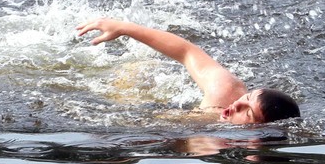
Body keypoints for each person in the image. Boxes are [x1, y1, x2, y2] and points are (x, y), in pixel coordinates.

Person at [75, 18, 300, 124]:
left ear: (257, 133)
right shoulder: (226, 91)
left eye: (248, 113)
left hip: (160, 118)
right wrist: (125, 28)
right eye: (247, 98)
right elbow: (186, 51)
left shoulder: (209, 143)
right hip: (148, 98)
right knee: (130, 77)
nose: (236, 105)